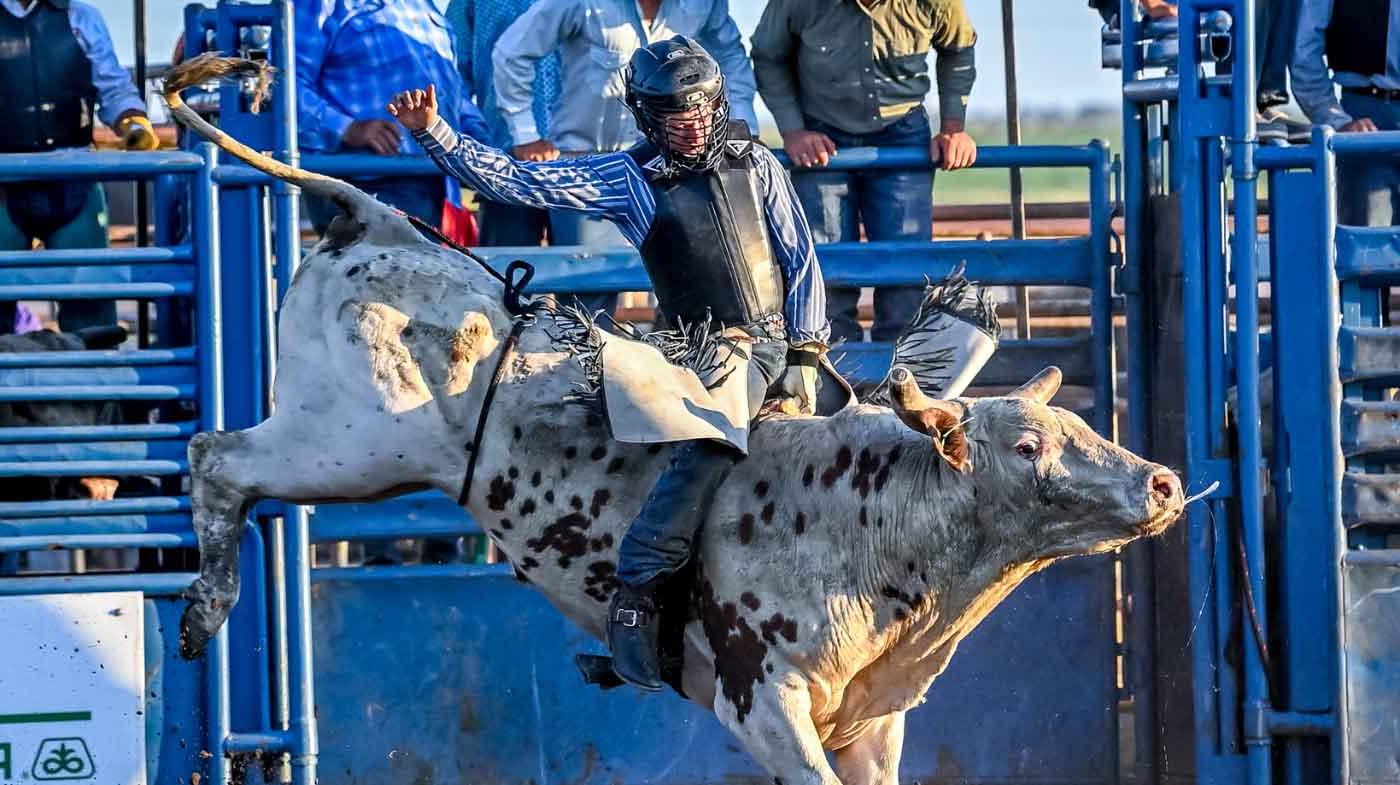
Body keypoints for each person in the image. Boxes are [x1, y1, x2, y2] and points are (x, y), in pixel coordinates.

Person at [389, 36, 829, 690]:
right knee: (583, 424)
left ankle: (639, 586)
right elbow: (527, 179)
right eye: (673, 110)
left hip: (759, 347)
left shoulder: (759, 164)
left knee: (711, 442)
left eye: (700, 106)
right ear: (646, 113)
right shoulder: (628, 178)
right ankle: (608, 591)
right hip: (684, 349)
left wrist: (807, 351)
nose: (691, 121)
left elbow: (799, 258)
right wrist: (439, 136)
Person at [491, 0, 759, 313]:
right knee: (589, 296)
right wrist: (526, 136)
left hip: (671, 166)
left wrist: (743, 128)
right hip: (593, 169)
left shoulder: (704, 4)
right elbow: (512, 52)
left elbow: (731, 58)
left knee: (690, 288)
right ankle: (580, 362)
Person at [751, 0, 978, 344]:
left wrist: (952, 127)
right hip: (821, 136)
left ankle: (901, 380)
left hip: (901, 132)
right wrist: (793, 131)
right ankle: (834, 380)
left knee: (905, 267)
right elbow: (768, 56)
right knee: (824, 266)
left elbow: (958, 50)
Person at [0, 0, 159, 332]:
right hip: (4, 179)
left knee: (91, 297)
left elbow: (113, 85)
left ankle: (94, 375)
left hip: (72, 174)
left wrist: (132, 119)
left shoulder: (80, 18)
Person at [295, 0, 490, 236]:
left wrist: (487, 154)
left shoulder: (423, 6)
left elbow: (456, 99)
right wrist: (346, 128)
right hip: (363, 183)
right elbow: (282, 81)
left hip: (436, 184)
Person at [445, 0, 562, 248]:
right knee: (504, 277)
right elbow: (453, 76)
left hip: (587, 160)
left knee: (593, 275)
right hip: (503, 163)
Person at [1294, 0, 1400, 228]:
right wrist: (1337, 121)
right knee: (1369, 251)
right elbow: (1303, 52)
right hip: (1366, 128)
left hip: (1367, 125)